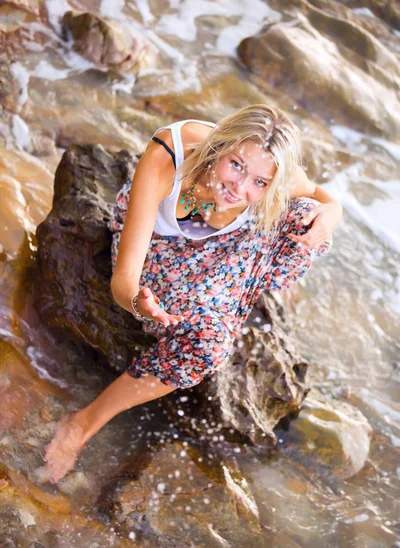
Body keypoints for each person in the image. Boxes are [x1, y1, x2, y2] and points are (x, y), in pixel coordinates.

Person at [44, 104, 342, 483]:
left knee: (307, 217)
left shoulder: (270, 173)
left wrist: (333, 213)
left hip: (225, 249)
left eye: (259, 182)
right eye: (235, 164)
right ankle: (81, 424)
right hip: (160, 244)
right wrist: (138, 302)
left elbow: (319, 195)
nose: (240, 187)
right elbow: (124, 279)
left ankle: (239, 285)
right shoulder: (170, 156)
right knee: (206, 344)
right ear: (221, 145)